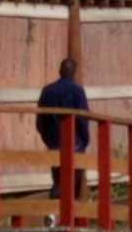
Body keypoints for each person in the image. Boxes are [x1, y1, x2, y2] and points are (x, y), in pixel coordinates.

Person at [36, 58, 93, 198]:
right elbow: (83, 119)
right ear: (74, 72)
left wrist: (48, 140)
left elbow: (40, 121)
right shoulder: (77, 91)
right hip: (75, 145)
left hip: (54, 144)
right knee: (73, 187)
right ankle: (70, 217)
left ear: (60, 71)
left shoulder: (47, 91)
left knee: (58, 181)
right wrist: (84, 141)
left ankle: (55, 214)